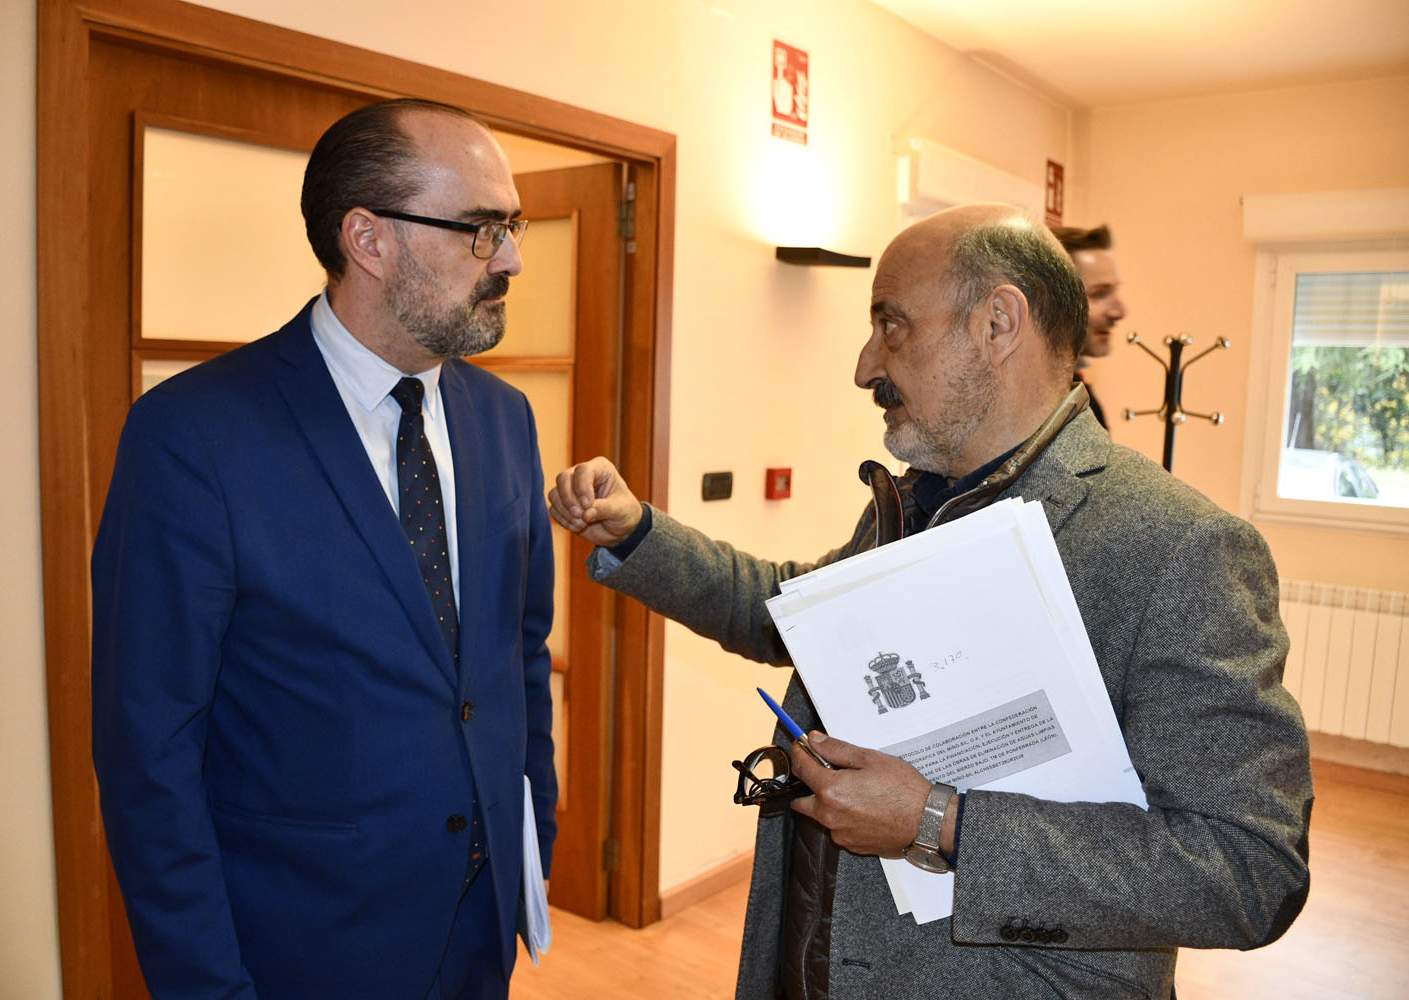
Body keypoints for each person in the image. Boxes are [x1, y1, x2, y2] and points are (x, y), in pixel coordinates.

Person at [548, 204, 1311, 1000]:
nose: (864, 366)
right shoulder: (920, 502)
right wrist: (638, 534)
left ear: (998, 324)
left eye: (892, 325)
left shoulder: (1180, 548)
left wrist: (939, 823)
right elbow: (789, 614)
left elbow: (1248, 869)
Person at [91, 98, 557, 1000]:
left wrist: (530, 841)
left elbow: (518, 655)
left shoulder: (506, 418)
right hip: (303, 947)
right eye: (480, 229)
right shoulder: (193, 436)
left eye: (513, 226)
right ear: (368, 239)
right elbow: (149, 751)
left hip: (480, 926)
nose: (511, 259)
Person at [1053, 223, 1127, 427]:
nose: (1120, 311)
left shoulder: (1078, 401)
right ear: (1052, 300)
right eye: (1100, 294)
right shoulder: (1042, 411)